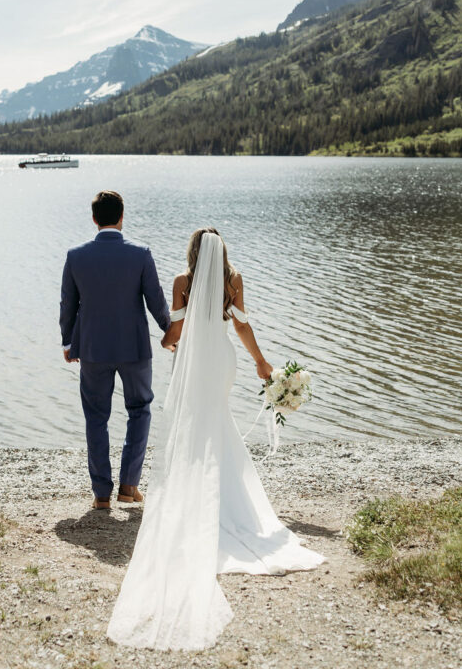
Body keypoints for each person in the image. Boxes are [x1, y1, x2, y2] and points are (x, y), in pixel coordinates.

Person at [107, 227, 327, 651]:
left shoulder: (181, 283)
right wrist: (262, 363)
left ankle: (197, 495)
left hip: (195, 363)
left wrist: (168, 343)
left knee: (194, 427)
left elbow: (175, 334)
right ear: (221, 252)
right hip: (222, 359)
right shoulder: (234, 280)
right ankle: (229, 498)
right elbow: (241, 327)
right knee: (216, 422)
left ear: (192, 252)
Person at [59, 190, 171, 509]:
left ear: (94, 219)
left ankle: (101, 494)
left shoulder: (76, 256)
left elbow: (68, 304)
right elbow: (157, 302)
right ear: (122, 216)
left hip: (92, 349)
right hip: (134, 347)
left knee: (96, 418)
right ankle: (128, 485)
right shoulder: (140, 254)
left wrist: (68, 342)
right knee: (140, 410)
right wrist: (172, 332)